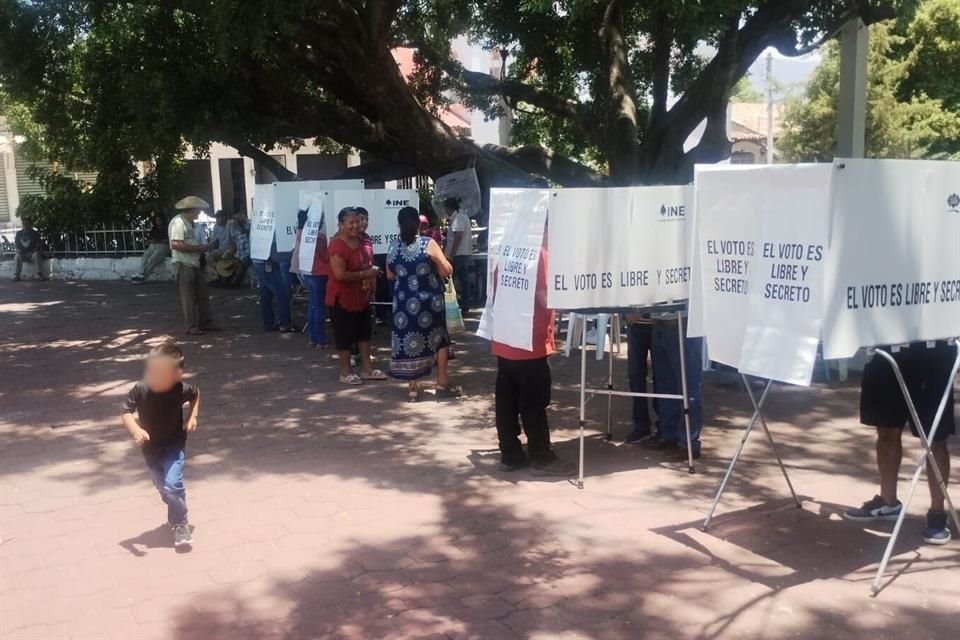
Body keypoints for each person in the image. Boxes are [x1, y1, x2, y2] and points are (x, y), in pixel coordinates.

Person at [845, 342, 957, 544]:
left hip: (934, 353)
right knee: (886, 429)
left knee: (935, 437)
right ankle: (889, 503)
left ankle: (937, 514)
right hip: (884, 351)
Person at [492, 228, 575, 476]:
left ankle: (510, 454)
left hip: (506, 337)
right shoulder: (538, 253)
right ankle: (541, 456)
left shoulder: (504, 251)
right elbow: (545, 297)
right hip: (530, 341)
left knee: (507, 400)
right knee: (533, 401)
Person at [120, 341, 200, 548]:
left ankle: (180, 523)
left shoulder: (181, 388)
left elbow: (195, 395)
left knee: (173, 485)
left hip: (174, 442)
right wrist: (136, 430)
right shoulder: (141, 389)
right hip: (151, 448)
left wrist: (192, 417)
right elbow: (125, 411)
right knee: (163, 486)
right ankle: (173, 501)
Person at [386, 206, 459, 401]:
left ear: (399, 224)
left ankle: (412, 388)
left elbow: (390, 274)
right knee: (440, 340)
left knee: (410, 341)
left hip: (402, 304)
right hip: (430, 302)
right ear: (419, 224)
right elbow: (446, 271)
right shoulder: (429, 244)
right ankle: (442, 383)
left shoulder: (393, 246)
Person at [326, 207, 385, 385]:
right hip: (342, 297)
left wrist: (369, 279)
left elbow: (364, 264)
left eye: (357, 221)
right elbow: (340, 275)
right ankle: (345, 372)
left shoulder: (361, 240)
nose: (355, 225)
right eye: (350, 222)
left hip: (361, 295)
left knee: (364, 333)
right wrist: (366, 274)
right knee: (345, 335)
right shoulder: (337, 244)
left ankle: (367, 369)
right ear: (341, 224)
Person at [644, 316, 704, 459]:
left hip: (684, 322)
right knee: (664, 383)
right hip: (659, 322)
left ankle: (688, 443)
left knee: (688, 385)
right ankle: (668, 434)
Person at [169, 196, 219, 335]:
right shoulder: (179, 222)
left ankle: (205, 322)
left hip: (194, 262)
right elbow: (175, 244)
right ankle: (191, 325)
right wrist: (199, 248)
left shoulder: (188, 222)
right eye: (198, 210)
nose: (199, 213)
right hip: (184, 263)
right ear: (192, 210)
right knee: (188, 296)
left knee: (202, 294)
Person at [299, 209, 331, 349]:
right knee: (319, 308)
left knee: (312, 306)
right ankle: (321, 340)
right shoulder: (320, 237)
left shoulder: (303, 233)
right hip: (320, 274)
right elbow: (325, 256)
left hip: (308, 272)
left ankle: (313, 338)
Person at [624, 314, 658, 443]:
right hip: (634, 325)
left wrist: (643, 312)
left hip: (659, 324)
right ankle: (641, 426)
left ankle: (664, 428)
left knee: (661, 377)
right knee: (635, 376)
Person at [251, 238, 296, 333]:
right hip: (269, 258)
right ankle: (285, 323)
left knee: (265, 292)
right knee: (281, 292)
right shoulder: (274, 224)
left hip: (257, 256)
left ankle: (268, 323)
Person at [443, 197, 473, 314]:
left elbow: (458, 237)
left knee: (451, 279)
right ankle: (463, 303)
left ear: (449, 208)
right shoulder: (461, 217)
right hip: (462, 253)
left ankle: (457, 304)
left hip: (458, 254)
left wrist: (451, 254)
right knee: (462, 279)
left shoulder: (458, 218)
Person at [132, 212, 170, 283]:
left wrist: (156, 241)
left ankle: (143, 277)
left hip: (163, 247)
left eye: (159, 220)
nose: (158, 222)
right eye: (157, 220)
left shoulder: (167, 228)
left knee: (152, 259)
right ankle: (140, 273)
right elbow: (149, 239)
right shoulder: (154, 228)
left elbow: (167, 240)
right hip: (153, 246)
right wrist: (151, 241)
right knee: (145, 256)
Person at [12, 217, 46, 282]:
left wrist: (32, 252)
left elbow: (38, 244)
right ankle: (17, 276)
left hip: (32, 254)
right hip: (22, 254)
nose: (25, 225)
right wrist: (17, 250)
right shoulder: (19, 233)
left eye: (27, 223)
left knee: (36, 254)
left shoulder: (35, 233)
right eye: (23, 223)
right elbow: (16, 244)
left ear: (30, 224)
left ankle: (39, 274)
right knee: (17, 256)